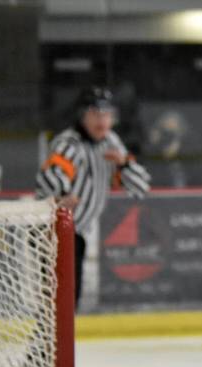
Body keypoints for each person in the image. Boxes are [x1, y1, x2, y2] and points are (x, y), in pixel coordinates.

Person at [35, 87, 151, 306]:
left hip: (76, 233)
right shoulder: (69, 144)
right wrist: (62, 194)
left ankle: (53, 340)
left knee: (67, 302)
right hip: (53, 232)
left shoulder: (111, 143)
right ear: (82, 115)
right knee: (58, 303)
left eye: (107, 114)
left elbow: (140, 187)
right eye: (95, 113)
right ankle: (48, 340)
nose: (102, 120)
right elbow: (49, 177)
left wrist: (124, 164)